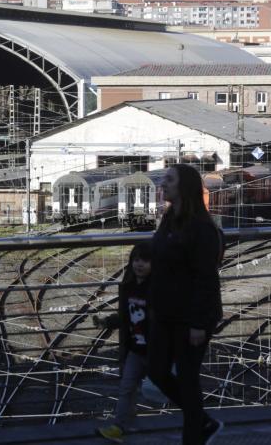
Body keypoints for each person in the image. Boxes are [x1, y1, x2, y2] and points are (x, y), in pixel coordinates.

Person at [148, 164, 224, 445]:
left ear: (184, 187)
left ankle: (194, 435)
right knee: (156, 371)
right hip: (166, 314)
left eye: (169, 179)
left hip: (189, 318)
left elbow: (205, 278)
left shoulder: (201, 228)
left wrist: (198, 324)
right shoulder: (170, 218)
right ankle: (202, 420)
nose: (162, 183)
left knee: (189, 381)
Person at [94, 241, 152, 443]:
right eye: (136, 260)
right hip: (135, 350)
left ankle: (194, 419)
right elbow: (124, 316)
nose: (139, 264)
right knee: (126, 387)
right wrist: (107, 322)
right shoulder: (128, 288)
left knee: (168, 388)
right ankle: (118, 426)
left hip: (155, 351)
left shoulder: (157, 290)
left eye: (145, 260)